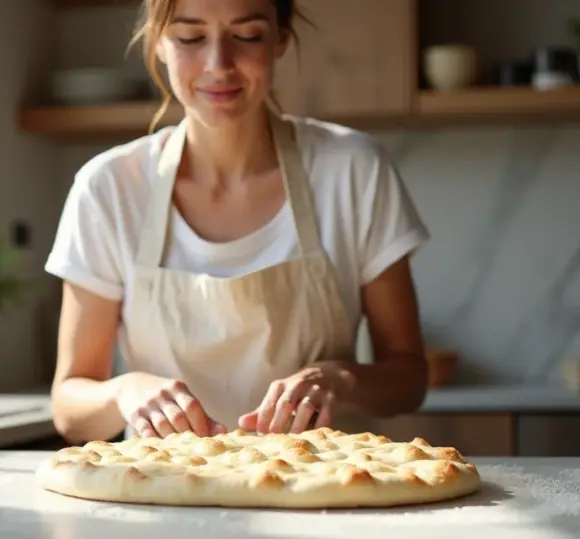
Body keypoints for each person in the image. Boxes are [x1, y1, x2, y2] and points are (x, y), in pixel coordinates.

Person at [45, 0, 430, 444]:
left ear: (280, 39)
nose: (218, 64)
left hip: (325, 494)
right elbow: (69, 407)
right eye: (190, 38)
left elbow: (409, 379)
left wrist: (340, 376)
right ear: (159, 44)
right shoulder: (109, 189)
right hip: (164, 494)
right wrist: (123, 391)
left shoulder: (354, 171)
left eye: (246, 36)